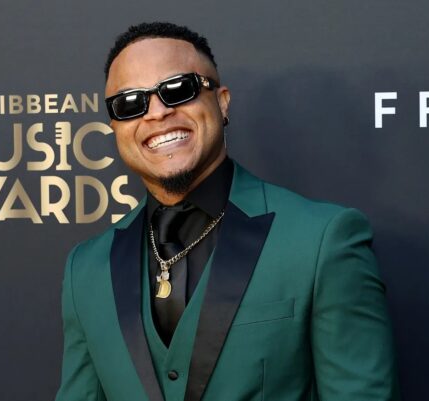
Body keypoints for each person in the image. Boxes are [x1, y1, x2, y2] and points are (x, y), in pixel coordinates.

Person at [55, 22, 400, 401]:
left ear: (221, 102)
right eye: (130, 103)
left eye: (177, 89)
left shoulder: (323, 241)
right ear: (116, 127)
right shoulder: (86, 269)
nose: (156, 113)